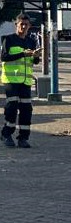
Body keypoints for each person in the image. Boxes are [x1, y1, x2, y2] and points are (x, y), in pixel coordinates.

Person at [1, 13, 41, 148]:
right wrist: (23, 54)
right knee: (12, 107)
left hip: (25, 81)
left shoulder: (31, 41)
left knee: (26, 109)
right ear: (16, 25)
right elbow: (4, 57)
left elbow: (34, 61)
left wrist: (36, 56)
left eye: (26, 25)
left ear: (29, 26)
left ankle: (23, 138)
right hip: (11, 80)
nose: (23, 27)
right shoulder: (8, 39)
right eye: (21, 24)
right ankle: (7, 134)